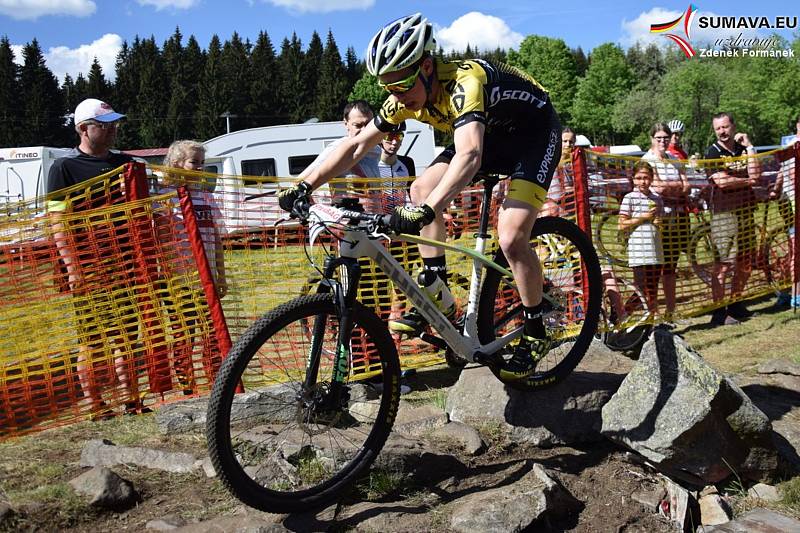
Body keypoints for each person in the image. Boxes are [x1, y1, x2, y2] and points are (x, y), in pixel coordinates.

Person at [278, 13, 562, 380]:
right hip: (491, 134)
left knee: (510, 237)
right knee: (420, 187)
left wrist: (427, 211)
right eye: (388, 87)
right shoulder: (402, 98)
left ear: (427, 66)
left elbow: (470, 156)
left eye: (402, 85)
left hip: (532, 137)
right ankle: (436, 283)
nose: (397, 96)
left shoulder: (466, 82)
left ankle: (537, 326)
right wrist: (304, 184)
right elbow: (355, 147)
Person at [46, 98, 146, 418]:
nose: (113, 129)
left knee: (129, 334)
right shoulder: (63, 168)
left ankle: (132, 399)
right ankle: (94, 404)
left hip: (125, 264)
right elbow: (57, 222)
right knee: (92, 339)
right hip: (88, 266)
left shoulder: (127, 165)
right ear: (82, 129)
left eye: (114, 123)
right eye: (104, 125)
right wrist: (73, 268)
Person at [157, 140, 228, 393]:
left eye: (202, 163)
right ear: (177, 164)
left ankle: (215, 381)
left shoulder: (207, 197)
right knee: (185, 333)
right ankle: (188, 385)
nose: (199, 168)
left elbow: (217, 239)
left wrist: (221, 274)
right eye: (193, 162)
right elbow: (161, 241)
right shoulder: (166, 200)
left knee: (212, 332)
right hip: (180, 280)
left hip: (207, 279)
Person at [704, 112, 761, 325]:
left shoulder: (742, 150)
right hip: (723, 214)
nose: (722, 132)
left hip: (746, 210)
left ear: (733, 127)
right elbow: (722, 182)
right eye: (718, 128)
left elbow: (757, 172)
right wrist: (748, 181)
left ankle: (735, 304)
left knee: (746, 261)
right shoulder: (712, 152)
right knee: (724, 264)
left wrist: (750, 147)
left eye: (725, 127)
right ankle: (719, 312)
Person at [641, 122, 691, 322]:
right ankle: (651, 314)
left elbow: (686, 186)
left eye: (666, 137)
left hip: (675, 219)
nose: (662, 141)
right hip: (654, 221)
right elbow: (657, 188)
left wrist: (672, 187)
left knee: (671, 267)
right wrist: (674, 186)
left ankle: (671, 312)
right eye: (658, 138)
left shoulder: (674, 159)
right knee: (652, 270)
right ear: (652, 139)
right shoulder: (647, 161)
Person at [298, 100, 381, 209]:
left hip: (374, 220)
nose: (364, 130)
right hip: (346, 222)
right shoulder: (337, 148)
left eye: (368, 124)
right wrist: (312, 210)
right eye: (358, 125)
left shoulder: (376, 150)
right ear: (346, 124)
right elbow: (300, 182)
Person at [618, 161, 664, 315]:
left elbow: (662, 222)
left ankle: (653, 318)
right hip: (638, 248)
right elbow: (622, 225)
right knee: (641, 288)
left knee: (653, 287)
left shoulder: (657, 198)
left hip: (655, 248)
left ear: (651, 178)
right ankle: (622, 314)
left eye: (646, 177)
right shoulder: (629, 198)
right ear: (633, 179)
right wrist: (642, 218)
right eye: (639, 178)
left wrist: (659, 222)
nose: (643, 181)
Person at [774, 114, 799, 307]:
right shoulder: (791, 149)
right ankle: (792, 295)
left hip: (788, 206)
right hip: (792, 208)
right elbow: (788, 174)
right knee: (794, 254)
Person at [541, 127, 576, 217]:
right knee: (552, 211)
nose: (568, 144)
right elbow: (556, 194)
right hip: (550, 202)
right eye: (565, 141)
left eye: (571, 142)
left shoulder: (575, 162)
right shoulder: (551, 160)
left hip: (569, 202)